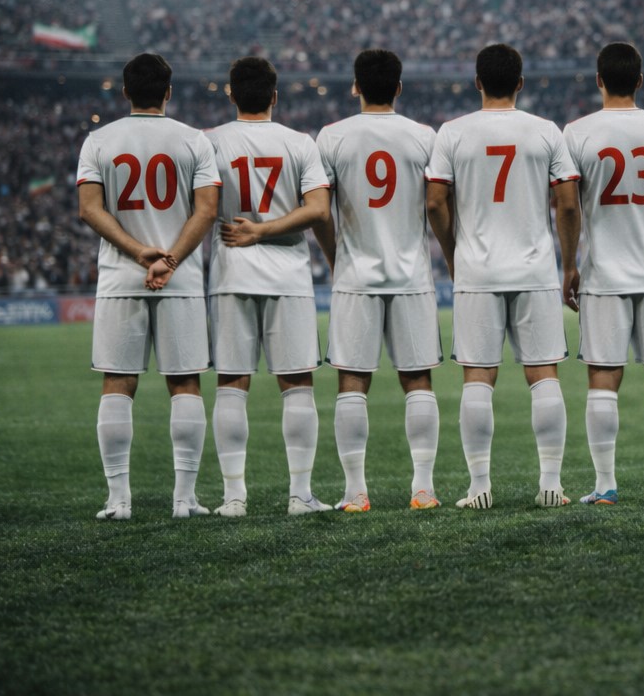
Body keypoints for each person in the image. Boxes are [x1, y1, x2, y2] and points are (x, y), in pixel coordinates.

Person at [426, 43, 581, 509]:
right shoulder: (546, 131)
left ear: (477, 82)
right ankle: (551, 483)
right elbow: (569, 202)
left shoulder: (452, 133)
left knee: (478, 378)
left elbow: (434, 201)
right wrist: (568, 263)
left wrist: (453, 256)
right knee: (543, 375)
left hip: (478, 268)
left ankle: (479, 487)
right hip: (534, 267)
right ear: (520, 83)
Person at [76, 52, 220, 520]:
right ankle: (185, 500)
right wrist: (170, 258)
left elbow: (90, 209)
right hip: (179, 279)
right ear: (168, 92)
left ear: (124, 92)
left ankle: (118, 501)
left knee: (118, 383)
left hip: (122, 276)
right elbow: (206, 210)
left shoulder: (99, 139)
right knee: (184, 383)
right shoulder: (193, 140)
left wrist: (139, 253)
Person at [314, 49, 446, 512]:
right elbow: (438, 204)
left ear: (355, 86)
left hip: (355, 275)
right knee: (418, 380)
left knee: (352, 381)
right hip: (411, 274)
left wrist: (335, 257)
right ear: (399, 87)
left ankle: (355, 492)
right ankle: (423, 488)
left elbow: (320, 213)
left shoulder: (331, 137)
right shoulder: (424, 137)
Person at [562, 42, 644, 504]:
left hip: (604, 274)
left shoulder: (576, 134)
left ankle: (605, 486)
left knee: (603, 377)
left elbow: (567, 207)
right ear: (640, 80)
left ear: (598, 80)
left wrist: (569, 263)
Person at [204, 56, 333, 516]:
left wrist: (249, 231)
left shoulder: (209, 143)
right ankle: (300, 495)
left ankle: (233, 497)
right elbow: (319, 209)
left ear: (231, 94)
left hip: (230, 272)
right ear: (275, 96)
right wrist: (267, 229)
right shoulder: (300, 142)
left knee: (231, 384)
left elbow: (201, 207)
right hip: (288, 275)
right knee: (297, 384)